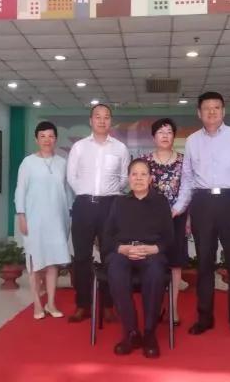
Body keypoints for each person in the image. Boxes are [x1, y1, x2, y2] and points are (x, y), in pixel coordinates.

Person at [172, 92, 230, 340]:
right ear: (199, 113)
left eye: (217, 107)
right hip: (202, 203)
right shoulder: (192, 141)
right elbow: (188, 179)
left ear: (223, 111)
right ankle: (204, 318)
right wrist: (178, 208)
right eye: (207, 108)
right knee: (204, 264)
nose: (212, 112)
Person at [103, 158, 174, 358]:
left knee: (155, 272)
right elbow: (107, 236)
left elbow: (169, 238)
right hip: (124, 252)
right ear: (128, 178)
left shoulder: (160, 202)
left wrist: (154, 249)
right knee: (115, 270)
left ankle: (149, 332)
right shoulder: (119, 203)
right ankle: (131, 332)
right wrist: (122, 249)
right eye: (134, 174)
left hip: (151, 253)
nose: (139, 178)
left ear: (150, 179)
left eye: (143, 174)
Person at [66, 103, 130, 323]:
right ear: (91, 121)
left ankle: (109, 305)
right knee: (81, 257)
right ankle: (83, 305)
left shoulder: (120, 148)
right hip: (84, 205)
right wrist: (86, 194)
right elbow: (72, 176)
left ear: (111, 121)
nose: (102, 121)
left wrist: (109, 195)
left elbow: (124, 178)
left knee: (110, 256)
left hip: (111, 205)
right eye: (98, 117)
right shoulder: (79, 147)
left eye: (106, 117)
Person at [15, 121, 71, 320]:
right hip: (34, 220)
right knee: (35, 263)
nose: (47, 140)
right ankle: (37, 304)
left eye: (51, 136)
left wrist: (70, 216)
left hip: (57, 220)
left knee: (53, 263)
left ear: (56, 139)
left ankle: (51, 303)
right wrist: (21, 215)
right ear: (36, 139)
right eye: (43, 136)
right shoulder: (28, 163)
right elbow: (20, 190)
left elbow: (67, 192)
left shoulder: (62, 163)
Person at [142, 118, 187, 326]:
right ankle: (155, 305)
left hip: (177, 217)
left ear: (174, 136)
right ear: (154, 137)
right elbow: (139, 190)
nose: (165, 136)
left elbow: (188, 189)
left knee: (175, 263)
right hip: (151, 220)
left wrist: (177, 211)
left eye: (169, 132)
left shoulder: (184, 161)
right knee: (154, 261)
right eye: (160, 132)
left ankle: (174, 308)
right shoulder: (145, 162)